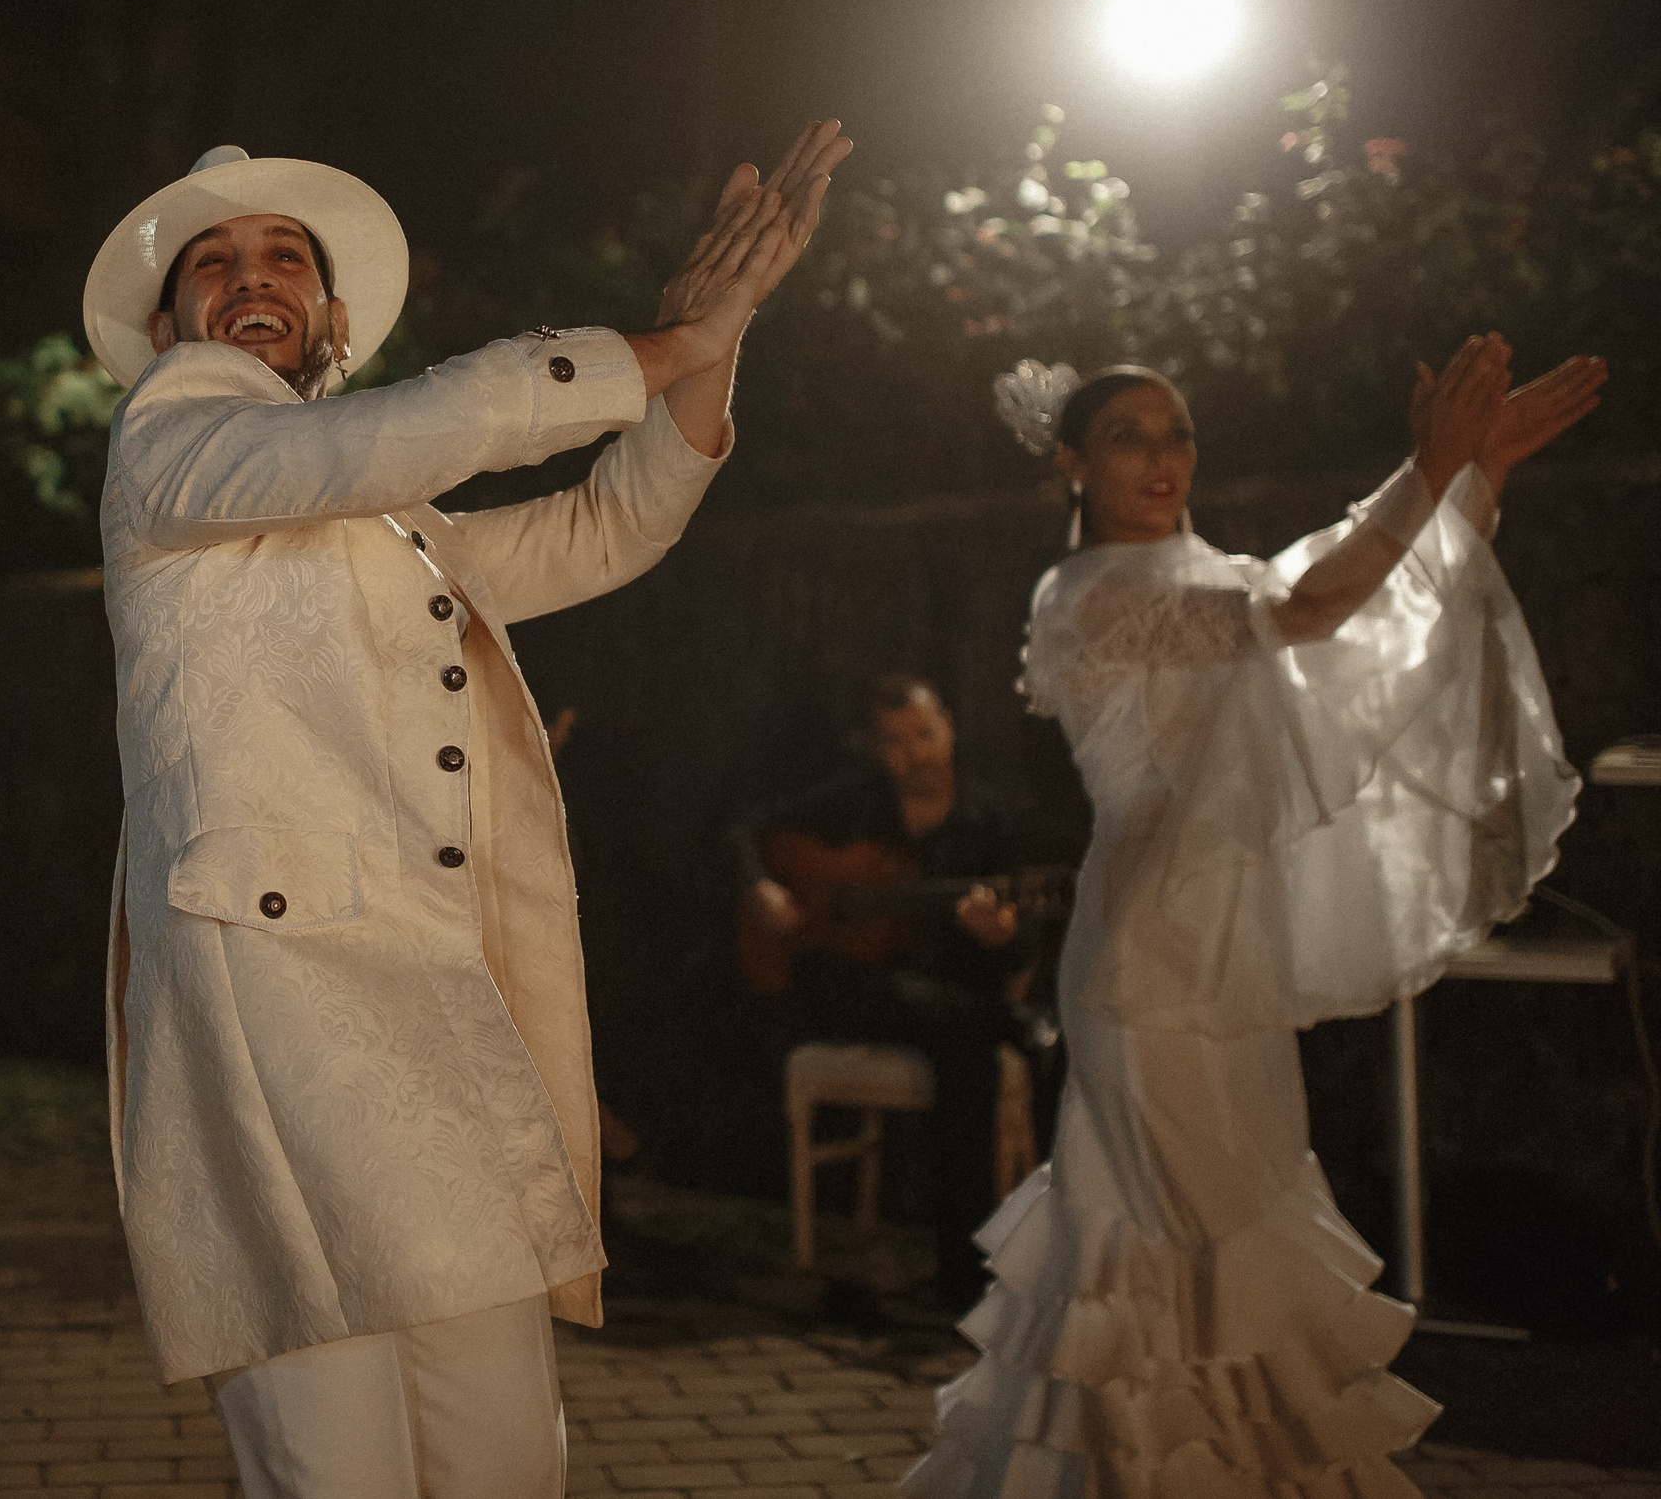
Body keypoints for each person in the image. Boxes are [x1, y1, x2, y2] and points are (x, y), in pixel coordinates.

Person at [84, 122, 853, 1499]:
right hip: (277, 1001)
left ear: (327, 312)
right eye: (214, 261)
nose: (251, 276)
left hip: (435, 1013)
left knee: (501, 1451)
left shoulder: (398, 520)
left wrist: (717, 334)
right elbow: (389, 436)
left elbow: (604, 526)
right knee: (337, 1461)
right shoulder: (174, 436)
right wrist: (649, 348)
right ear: (167, 321)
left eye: (282, 256)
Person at [905, 341, 1603, 1495]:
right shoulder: (1089, 597)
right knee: (1168, 1249)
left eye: (1176, 432)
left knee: (1241, 1239)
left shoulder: (1204, 576)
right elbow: (1311, 599)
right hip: (1147, 965)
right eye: (1127, 436)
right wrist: (1427, 470)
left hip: (1228, 953)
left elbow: (1344, 607)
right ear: (1069, 463)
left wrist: (1466, 474)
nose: (1161, 457)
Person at [733, 673, 1050, 1309]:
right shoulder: (854, 803)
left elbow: (1021, 938)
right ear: (877, 749)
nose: (915, 754)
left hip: (946, 1001)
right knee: (957, 1025)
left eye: (925, 735)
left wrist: (1000, 933)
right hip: (852, 991)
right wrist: (758, 886)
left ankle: (962, 1278)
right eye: (896, 743)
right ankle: (1017, 1027)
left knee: (965, 1048)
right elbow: (746, 829)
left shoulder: (993, 820)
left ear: (950, 729)